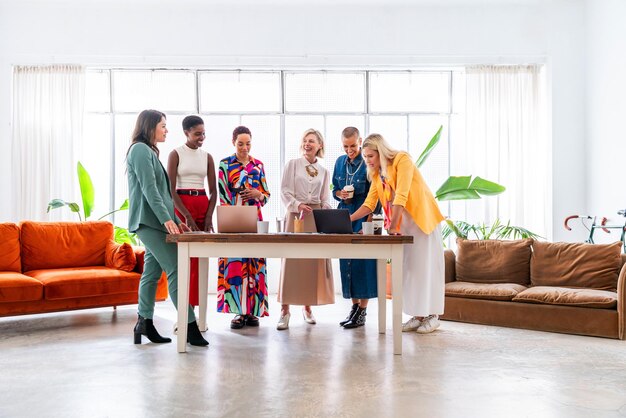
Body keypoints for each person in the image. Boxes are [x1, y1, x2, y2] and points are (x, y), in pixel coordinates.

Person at [126, 109, 208, 346]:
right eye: (163, 125)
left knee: (151, 274)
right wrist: (166, 220)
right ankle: (189, 326)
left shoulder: (148, 151)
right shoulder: (140, 150)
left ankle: (144, 322)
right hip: (149, 222)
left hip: (154, 221)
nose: (166, 130)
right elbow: (149, 190)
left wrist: (175, 218)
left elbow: (163, 194)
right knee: (176, 269)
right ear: (150, 126)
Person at [349, 133, 445, 334]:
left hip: (421, 221)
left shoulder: (402, 160)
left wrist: (392, 226)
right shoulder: (376, 175)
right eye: (365, 157)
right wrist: (347, 220)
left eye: (370, 156)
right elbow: (369, 204)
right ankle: (418, 316)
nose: (367, 160)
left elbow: (402, 194)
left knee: (424, 269)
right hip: (404, 226)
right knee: (409, 271)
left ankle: (433, 316)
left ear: (381, 152)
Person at [277, 128, 334, 330]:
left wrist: (326, 214)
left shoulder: (324, 172)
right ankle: (285, 310)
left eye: (312, 141)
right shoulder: (292, 165)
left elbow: (325, 200)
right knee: (291, 261)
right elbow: (284, 191)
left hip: (315, 218)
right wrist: (297, 205)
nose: (307, 144)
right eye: (305, 140)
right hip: (295, 217)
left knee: (310, 263)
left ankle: (307, 308)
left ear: (319, 145)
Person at [217, 126, 271, 329]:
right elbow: (222, 195)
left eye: (248, 143)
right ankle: (238, 312)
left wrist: (257, 194)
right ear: (233, 142)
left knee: (255, 263)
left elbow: (266, 196)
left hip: (255, 220)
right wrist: (236, 202)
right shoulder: (225, 164)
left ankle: (253, 311)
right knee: (235, 262)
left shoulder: (258, 165)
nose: (244, 147)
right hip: (233, 219)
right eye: (241, 143)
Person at [331, 127, 381, 329]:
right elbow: (334, 188)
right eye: (345, 146)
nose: (349, 150)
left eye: (352, 146)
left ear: (359, 141)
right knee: (347, 262)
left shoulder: (368, 162)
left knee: (362, 263)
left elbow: (374, 198)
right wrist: (339, 194)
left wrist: (368, 224)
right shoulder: (339, 162)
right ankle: (354, 307)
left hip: (363, 216)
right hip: (344, 216)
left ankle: (363, 310)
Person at [167, 115, 217, 307]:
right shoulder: (176, 154)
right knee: (183, 257)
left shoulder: (207, 157)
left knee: (199, 257)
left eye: (203, 133)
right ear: (186, 133)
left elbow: (213, 190)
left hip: (203, 204)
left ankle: (196, 308)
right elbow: (170, 190)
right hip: (182, 205)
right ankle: (183, 308)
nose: (201, 137)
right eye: (197, 134)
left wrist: (209, 216)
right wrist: (186, 215)